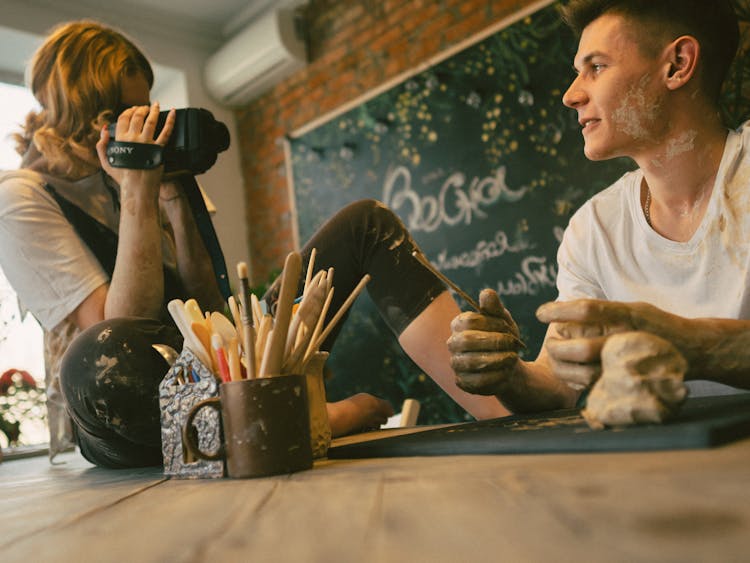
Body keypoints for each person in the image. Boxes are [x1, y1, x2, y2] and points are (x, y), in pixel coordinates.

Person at [0, 20, 508, 468]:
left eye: (148, 108)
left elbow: (215, 312)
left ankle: (504, 415)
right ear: (90, 112)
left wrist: (175, 195)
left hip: (221, 376)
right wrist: (138, 189)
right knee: (98, 357)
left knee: (363, 224)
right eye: (131, 111)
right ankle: (312, 418)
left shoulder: (152, 170)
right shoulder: (21, 197)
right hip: (128, 413)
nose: (146, 122)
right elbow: (113, 338)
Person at [449, 0, 750, 412]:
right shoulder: (594, 229)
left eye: (596, 67)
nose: (571, 96)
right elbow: (558, 384)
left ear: (678, 64)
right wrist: (509, 374)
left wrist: (695, 346)